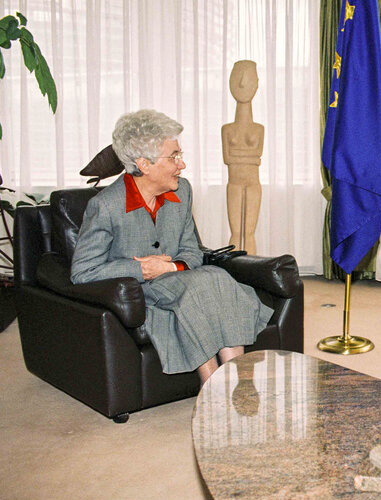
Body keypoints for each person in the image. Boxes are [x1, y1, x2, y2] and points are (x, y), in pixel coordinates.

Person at [71, 109, 273, 384]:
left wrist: (170, 266)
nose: (182, 164)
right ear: (144, 164)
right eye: (174, 156)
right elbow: (83, 272)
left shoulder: (182, 190)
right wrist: (143, 269)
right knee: (204, 284)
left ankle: (234, 381)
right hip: (143, 290)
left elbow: (192, 250)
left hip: (182, 280)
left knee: (215, 278)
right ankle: (220, 384)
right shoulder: (106, 206)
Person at [222, 60, 264, 254]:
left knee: (249, 231)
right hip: (234, 183)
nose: (242, 84)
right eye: (237, 77)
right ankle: (236, 270)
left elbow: (254, 157)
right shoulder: (227, 129)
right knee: (236, 231)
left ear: (256, 83)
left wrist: (241, 155)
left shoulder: (258, 129)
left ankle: (252, 270)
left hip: (253, 183)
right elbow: (228, 158)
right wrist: (247, 156)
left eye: (248, 78)